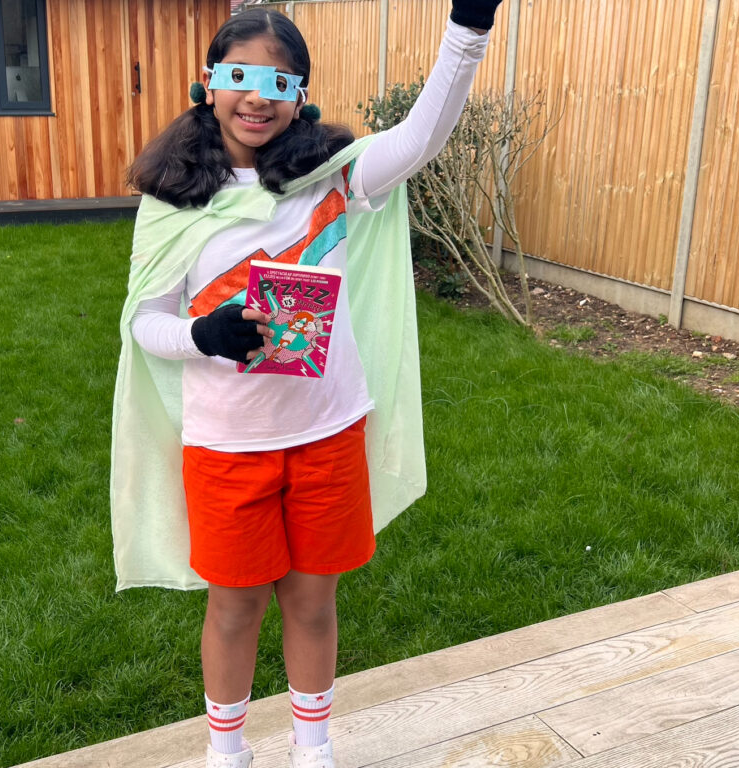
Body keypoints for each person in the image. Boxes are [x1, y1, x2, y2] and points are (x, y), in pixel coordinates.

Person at [111, 3, 501, 766]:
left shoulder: (334, 179)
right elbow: (143, 322)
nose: (258, 97)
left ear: (301, 94)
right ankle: (228, 753)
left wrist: (469, 29)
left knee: (314, 602)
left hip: (327, 434)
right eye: (241, 77)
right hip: (227, 446)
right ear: (209, 83)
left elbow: (424, 135)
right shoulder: (173, 199)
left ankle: (312, 748)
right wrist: (202, 335)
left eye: (279, 81)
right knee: (235, 607)